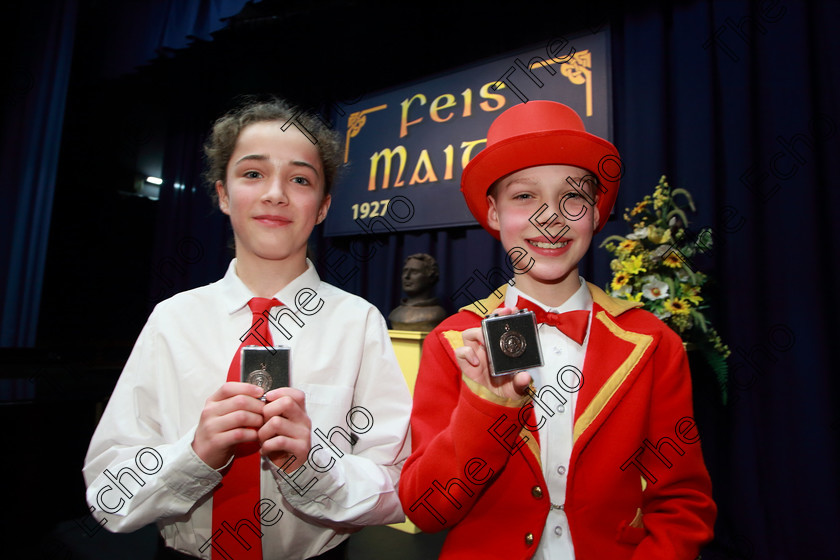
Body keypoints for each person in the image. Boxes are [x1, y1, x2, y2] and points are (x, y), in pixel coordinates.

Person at [83, 98, 412, 560]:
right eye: (253, 173)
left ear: (323, 207)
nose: (275, 193)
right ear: (222, 193)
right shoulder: (172, 320)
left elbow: (396, 485)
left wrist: (310, 465)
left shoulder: (358, 323)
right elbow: (107, 494)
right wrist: (193, 456)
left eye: (300, 180)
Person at [399, 100, 716, 559]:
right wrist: (485, 407)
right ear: (493, 213)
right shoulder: (453, 340)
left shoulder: (652, 342)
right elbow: (427, 511)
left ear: (594, 214)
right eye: (525, 196)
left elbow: (682, 504)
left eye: (572, 197)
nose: (551, 216)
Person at [388, 253, 447, 331]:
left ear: (431, 277)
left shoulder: (437, 314)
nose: (407, 276)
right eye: (405, 271)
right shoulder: (395, 313)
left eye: (414, 272)